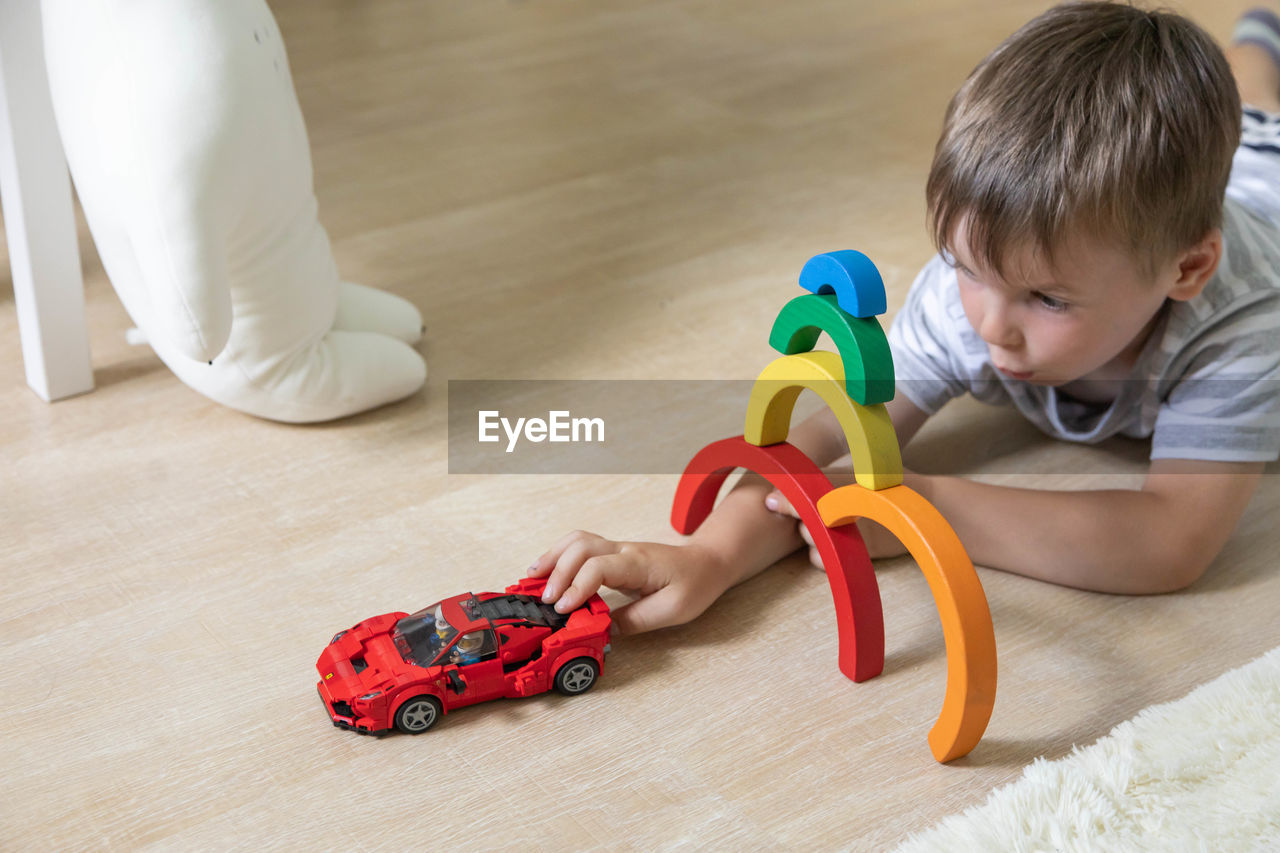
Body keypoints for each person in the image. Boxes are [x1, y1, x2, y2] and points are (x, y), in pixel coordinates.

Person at [529, 3, 1280, 635]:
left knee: (1259, 131)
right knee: (1245, 113)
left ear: (1185, 270)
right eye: (967, 269)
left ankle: (1256, 57)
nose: (991, 324)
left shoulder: (1240, 332)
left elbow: (1169, 542)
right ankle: (1257, 40)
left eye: (1047, 300)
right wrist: (711, 557)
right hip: (1220, 177)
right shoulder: (970, 297)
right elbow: (826, 443)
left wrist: (927, 503)